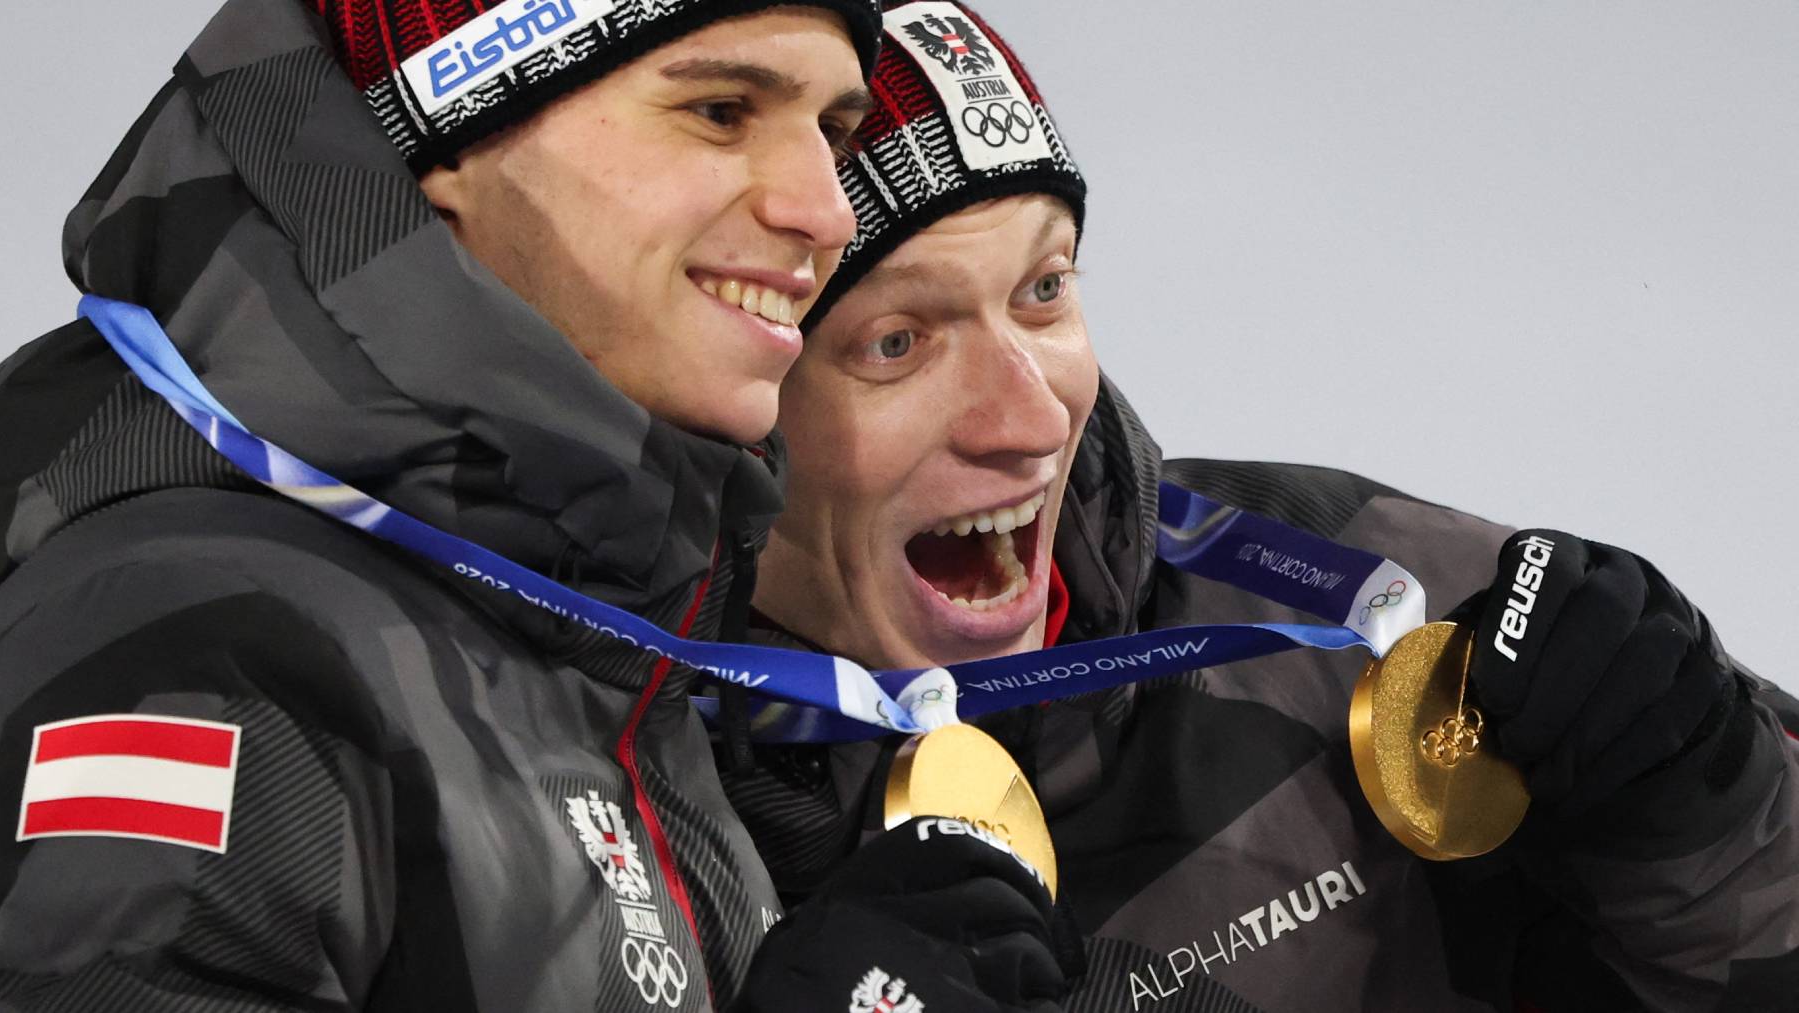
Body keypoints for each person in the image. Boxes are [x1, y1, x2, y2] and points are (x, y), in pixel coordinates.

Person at [724, 2, 1799, 1010]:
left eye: (1043, 291)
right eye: (898, 343)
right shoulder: (624, 786)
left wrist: (1712, 799)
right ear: (743, 395)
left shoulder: (1352, 583)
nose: (1030, 418)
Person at [0, 1, 1072, 1009]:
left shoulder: (597, 630)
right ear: (450, 135)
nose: (825, 211)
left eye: (830, 128)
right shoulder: (205, 646)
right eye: (720, 111)